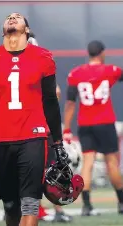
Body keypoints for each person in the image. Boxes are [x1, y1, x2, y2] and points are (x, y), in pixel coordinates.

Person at [0, 12, 67, 226]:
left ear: (27, 29)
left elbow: (51, 102)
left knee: (30, 202)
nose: (12, 18)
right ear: (2, 29)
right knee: (11, 207)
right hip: (3, 138)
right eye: (8, 17)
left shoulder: (43, 57)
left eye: (18, 17)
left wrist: (57, 142)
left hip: (34, 137)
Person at [63, 40, 123, 216]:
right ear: (102, 53)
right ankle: (121, 202)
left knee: (87, 164)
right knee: (111, 163)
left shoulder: (76, 73)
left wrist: (67, 128)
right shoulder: (110, 70)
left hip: (85, 123)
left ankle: (87, 206)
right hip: (105, 122)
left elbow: (70, 104)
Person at [28, 33, 72, 223]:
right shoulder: (37, 63)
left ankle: (33, 209)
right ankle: (48, 210)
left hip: (28, 128)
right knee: (50, 170)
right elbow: (56, 93)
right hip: (38, 128)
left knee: (33, 171)